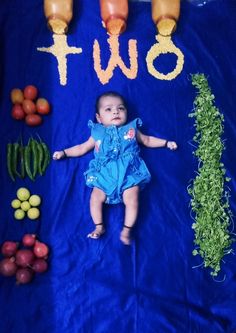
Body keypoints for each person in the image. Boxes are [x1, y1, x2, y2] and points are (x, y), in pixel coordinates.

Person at [53, 92, 177, 245]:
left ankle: (127, 229)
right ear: (99, 118)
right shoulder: (97, 132)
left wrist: (166, 143)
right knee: (95, 198)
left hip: (129, 173)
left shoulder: (131, 130)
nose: (116, 112)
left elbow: (147, 140)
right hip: (104, 174)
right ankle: (99, 226)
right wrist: (64, 153)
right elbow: (82, 148)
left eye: (121, 108)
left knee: (132, 199)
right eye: (108, 109)